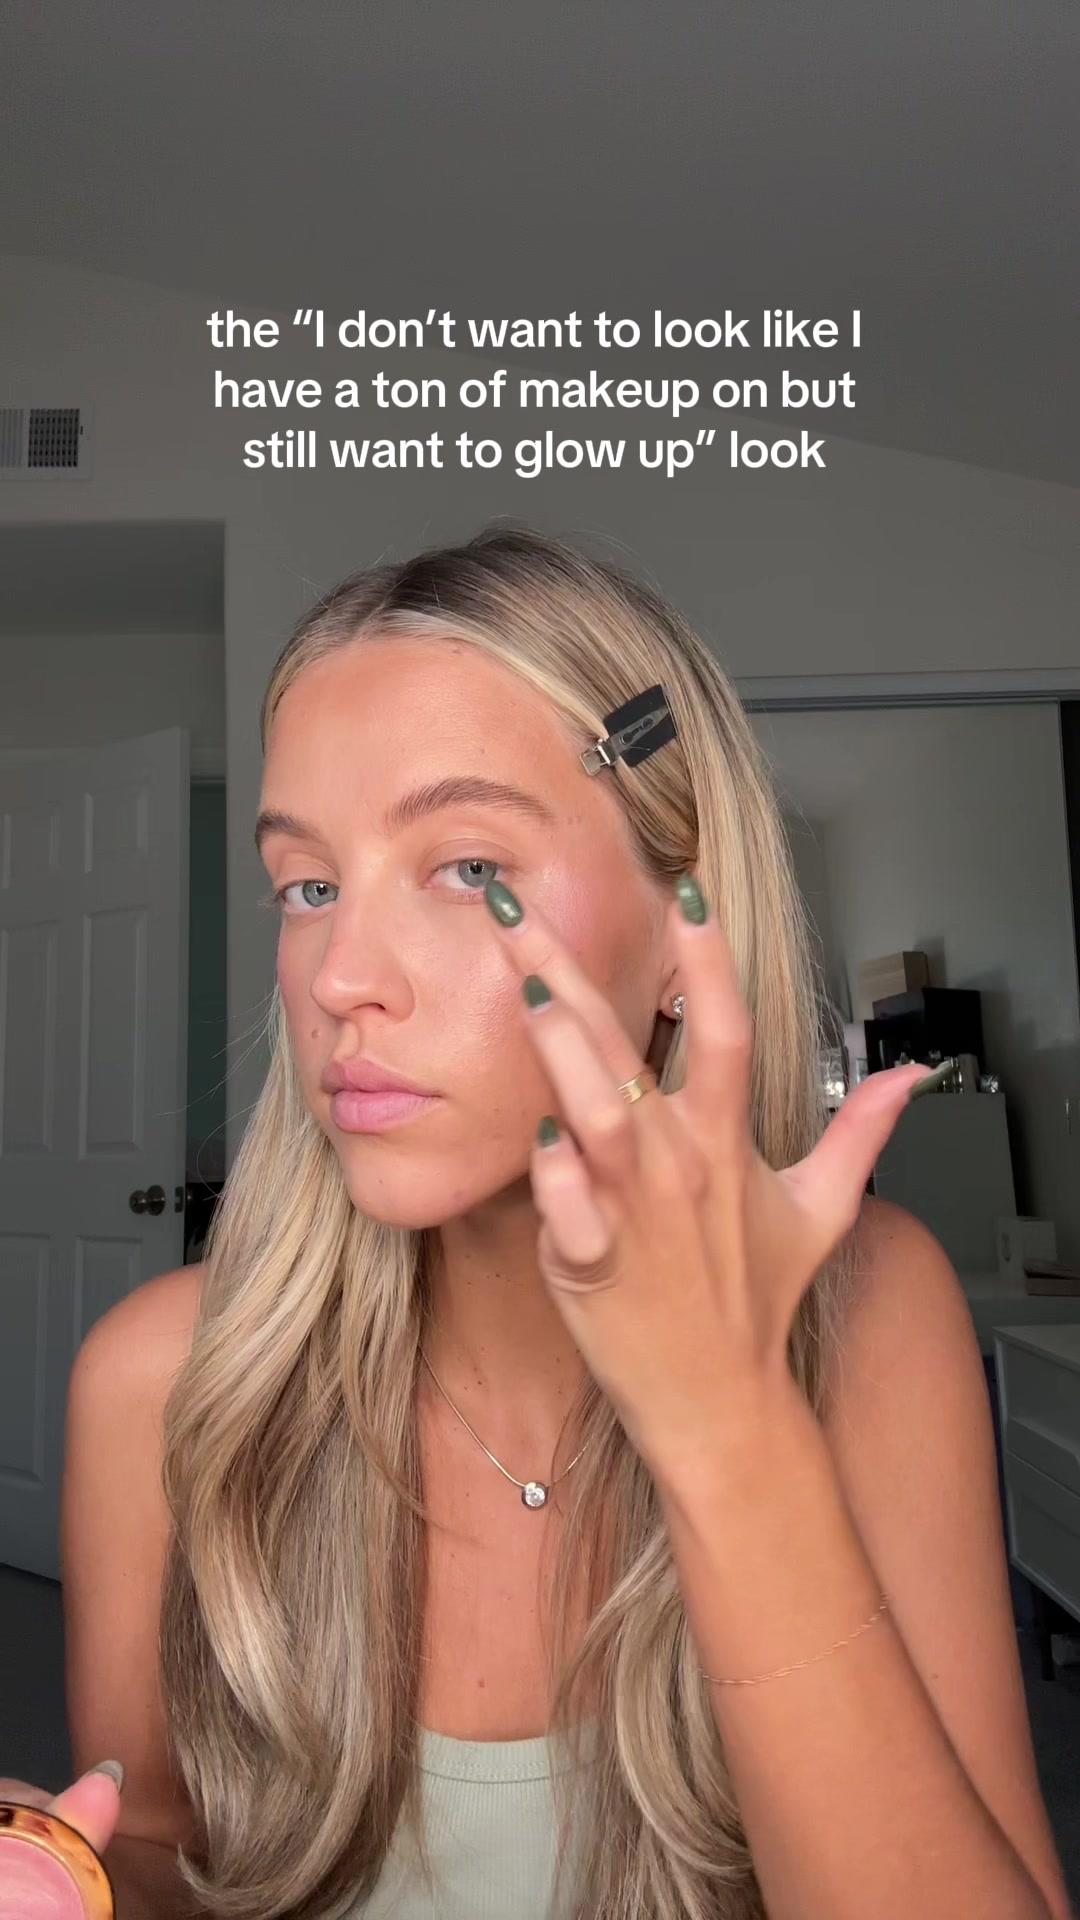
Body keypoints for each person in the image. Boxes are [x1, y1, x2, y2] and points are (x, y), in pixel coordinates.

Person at [1, 524, 1070, 1920]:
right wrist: (61, 1883)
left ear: (683, 928)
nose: (339, 978)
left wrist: (727, 1425)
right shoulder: (164, 1381)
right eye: (310, 886)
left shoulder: (869, 1312)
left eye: (464, 867)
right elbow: (149, 1853)